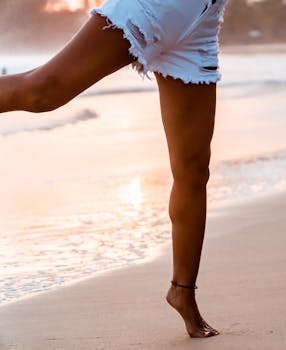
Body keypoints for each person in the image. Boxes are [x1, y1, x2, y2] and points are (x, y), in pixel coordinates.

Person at [0, 0, 228, 338]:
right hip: (156, 6)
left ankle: (183, 291)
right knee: (43, 92)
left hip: (200, 20)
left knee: (194, 168)